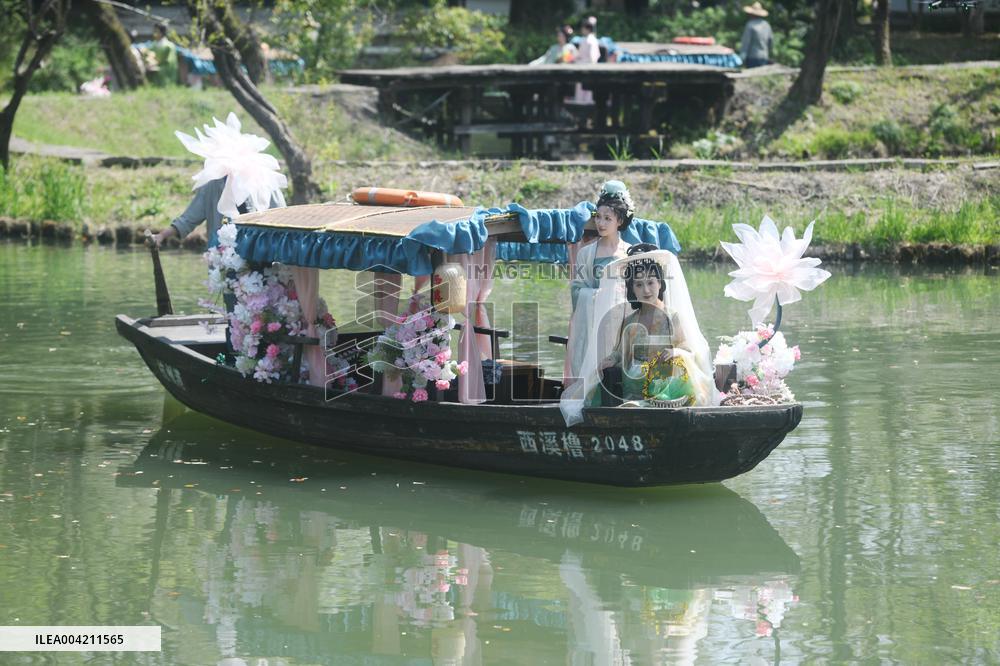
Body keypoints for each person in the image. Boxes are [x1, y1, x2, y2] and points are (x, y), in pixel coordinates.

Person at [599, 244, 715, 406]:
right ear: (632, 290)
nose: (646, 290)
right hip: (634, 382)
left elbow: (688, 349)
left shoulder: (672, 317)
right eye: (639, 285)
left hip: (664, 382)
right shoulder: (630, 321)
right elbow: (620, 351)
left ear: (660, 284)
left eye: (651, 283)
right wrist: (612, 359)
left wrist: (676, 351)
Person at [151, 112, 287, 249]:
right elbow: (188, 219)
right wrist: (161, 236)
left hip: (259, 253)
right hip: (222, 254)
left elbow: (282, 217)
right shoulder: (213, 183)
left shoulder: (261, 178)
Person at [566, 181, 632, 385]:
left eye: (607, 218)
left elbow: (635, 291)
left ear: (619, 221)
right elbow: (577, 289)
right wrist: (598, 295)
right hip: (593, 323)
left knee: (617, 372)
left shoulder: (629, 253)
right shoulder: (587, 252)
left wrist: (617, 297)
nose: (601, 224)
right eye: (598, 217)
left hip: (622, 321)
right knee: (593, 374)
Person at [739, 3, 773, 69]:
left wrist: (742, 57)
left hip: (752, 57)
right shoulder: (767, 25)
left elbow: (746, 43)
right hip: (764, 56)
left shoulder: (750, 25)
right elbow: (770, 41)